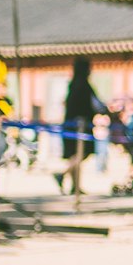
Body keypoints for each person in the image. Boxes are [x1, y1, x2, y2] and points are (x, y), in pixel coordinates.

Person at [55, 58, 106, 194]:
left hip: (70, 124)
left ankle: (75, 187)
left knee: (74, 154)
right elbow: (96, 105)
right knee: (81, 152)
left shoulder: (73, 85)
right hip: (81, 126)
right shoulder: (84, 85)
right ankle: (63, 173)